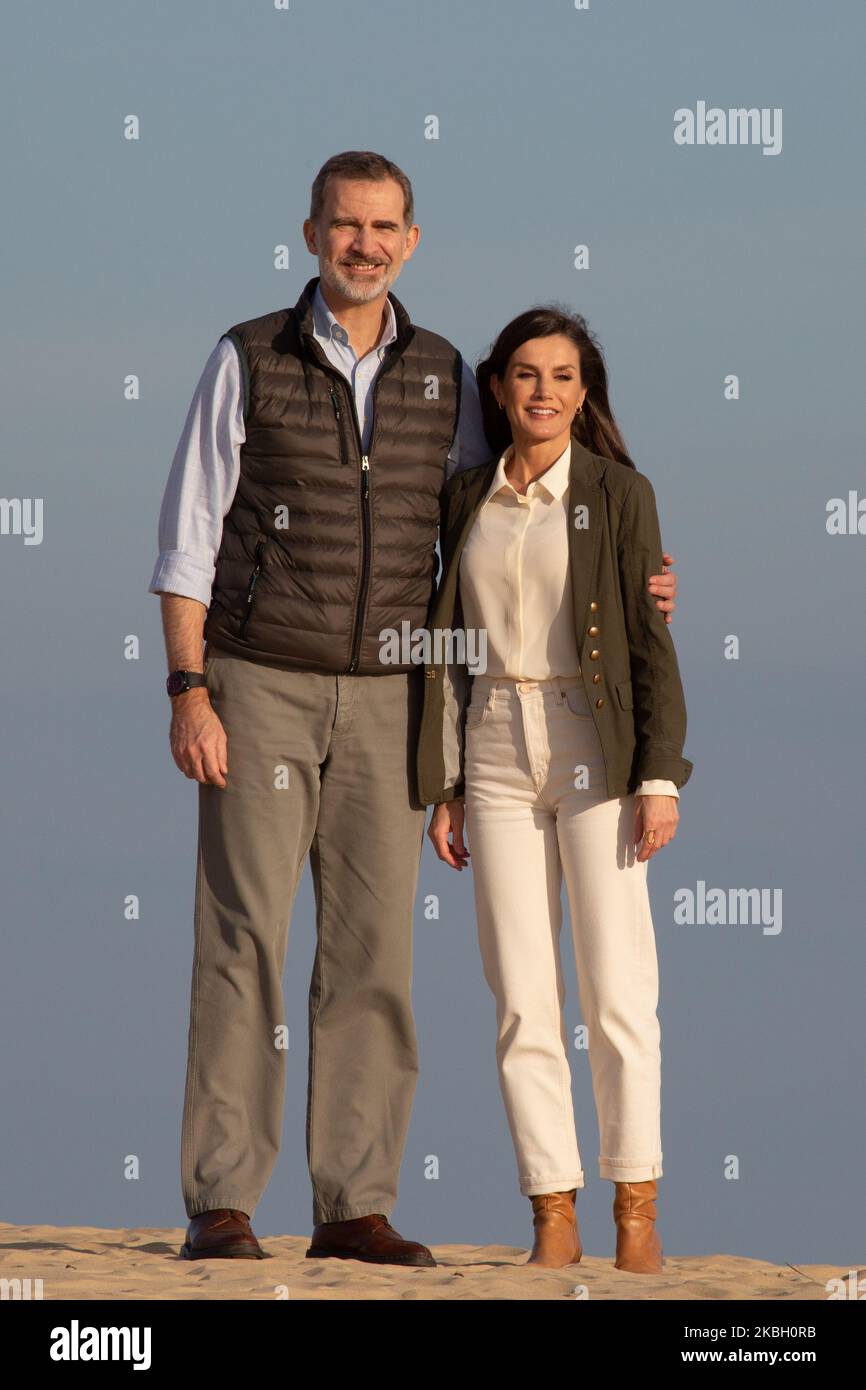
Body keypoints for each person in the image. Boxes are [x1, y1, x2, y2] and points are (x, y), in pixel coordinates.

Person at [149, 150, 680, 1266]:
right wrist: (189, 688)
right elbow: (187, 540)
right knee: (243, 937)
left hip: (396, 691)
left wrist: (632, 576)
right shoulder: (245, 355)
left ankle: (352, 1204)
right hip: (259, 681)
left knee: (372, 954)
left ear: (412, 241)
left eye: (385, 226)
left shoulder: (444, 372)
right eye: (346, 225)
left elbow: (510, 510)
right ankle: (222, 1202)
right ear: (310, 233)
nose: (365, 243)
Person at [420, 305, 693, 1272]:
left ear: (586, 393)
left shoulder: (621, 493)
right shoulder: (466, 498)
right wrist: (443, 783)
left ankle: (635, 1212)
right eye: (527, 375)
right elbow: (448, 651)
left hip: (596, 745)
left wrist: (660, 775)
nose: (544, 391)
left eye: (564, 376)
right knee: (521, 996)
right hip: (493, 743)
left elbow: (650, 641)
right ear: (498, 389)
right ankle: (551, 1215)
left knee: (619, 988)